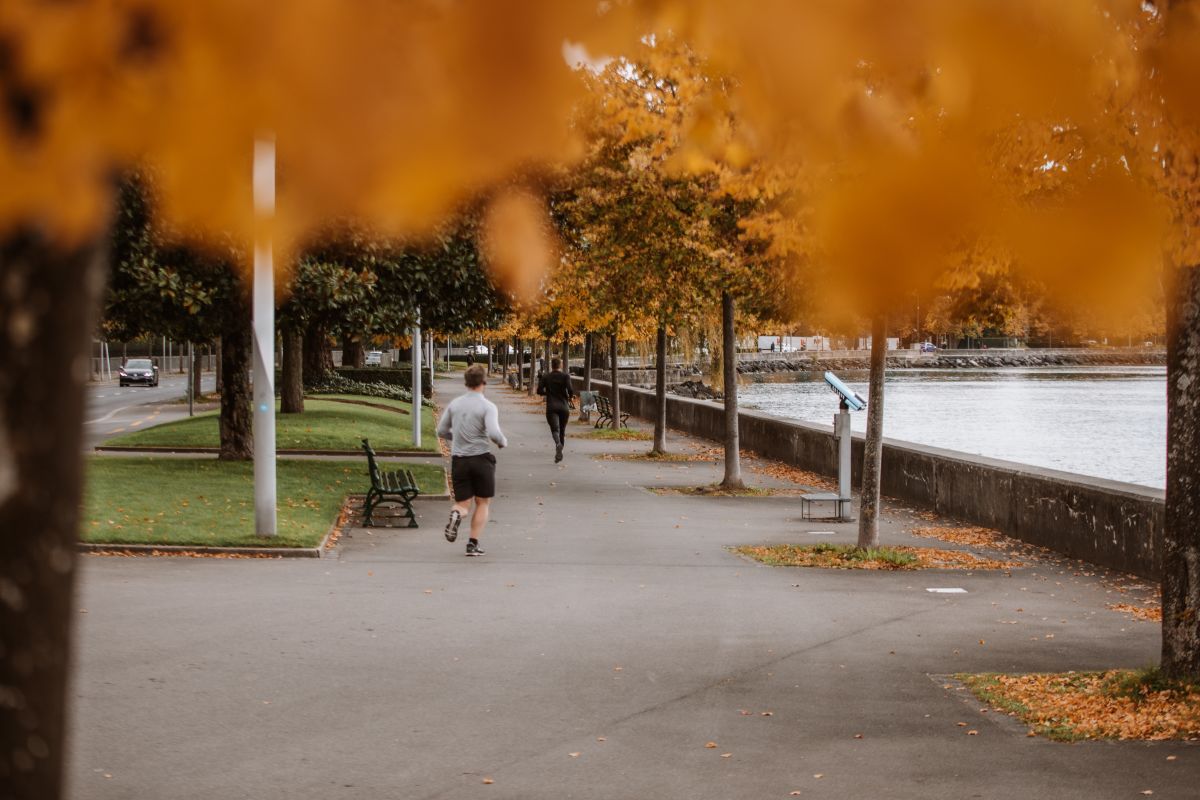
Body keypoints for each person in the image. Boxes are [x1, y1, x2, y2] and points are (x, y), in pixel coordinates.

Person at [435, 364, 507, 556]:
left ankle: (457, 514)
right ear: (484, 382)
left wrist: (456, 438)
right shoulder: (487, 406)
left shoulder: (455, 405)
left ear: (466, 382)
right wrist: (502, 442)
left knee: (463, 503)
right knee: (482, 502)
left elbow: (441, 431)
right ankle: (472, 543)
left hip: (460, 460)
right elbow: (493, 433)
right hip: (481, 459)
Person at [537, 357, 575, 463]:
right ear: (560, 365)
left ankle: (558, 444)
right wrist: (570, 396)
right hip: (564, 406)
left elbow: (539, 391)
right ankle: (559, 453)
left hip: (551, 407)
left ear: (551, 366)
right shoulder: (566, 376)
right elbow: (570, 390)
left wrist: (548, 393)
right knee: (562, 430)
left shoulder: (546, 377)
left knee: (555, 429)